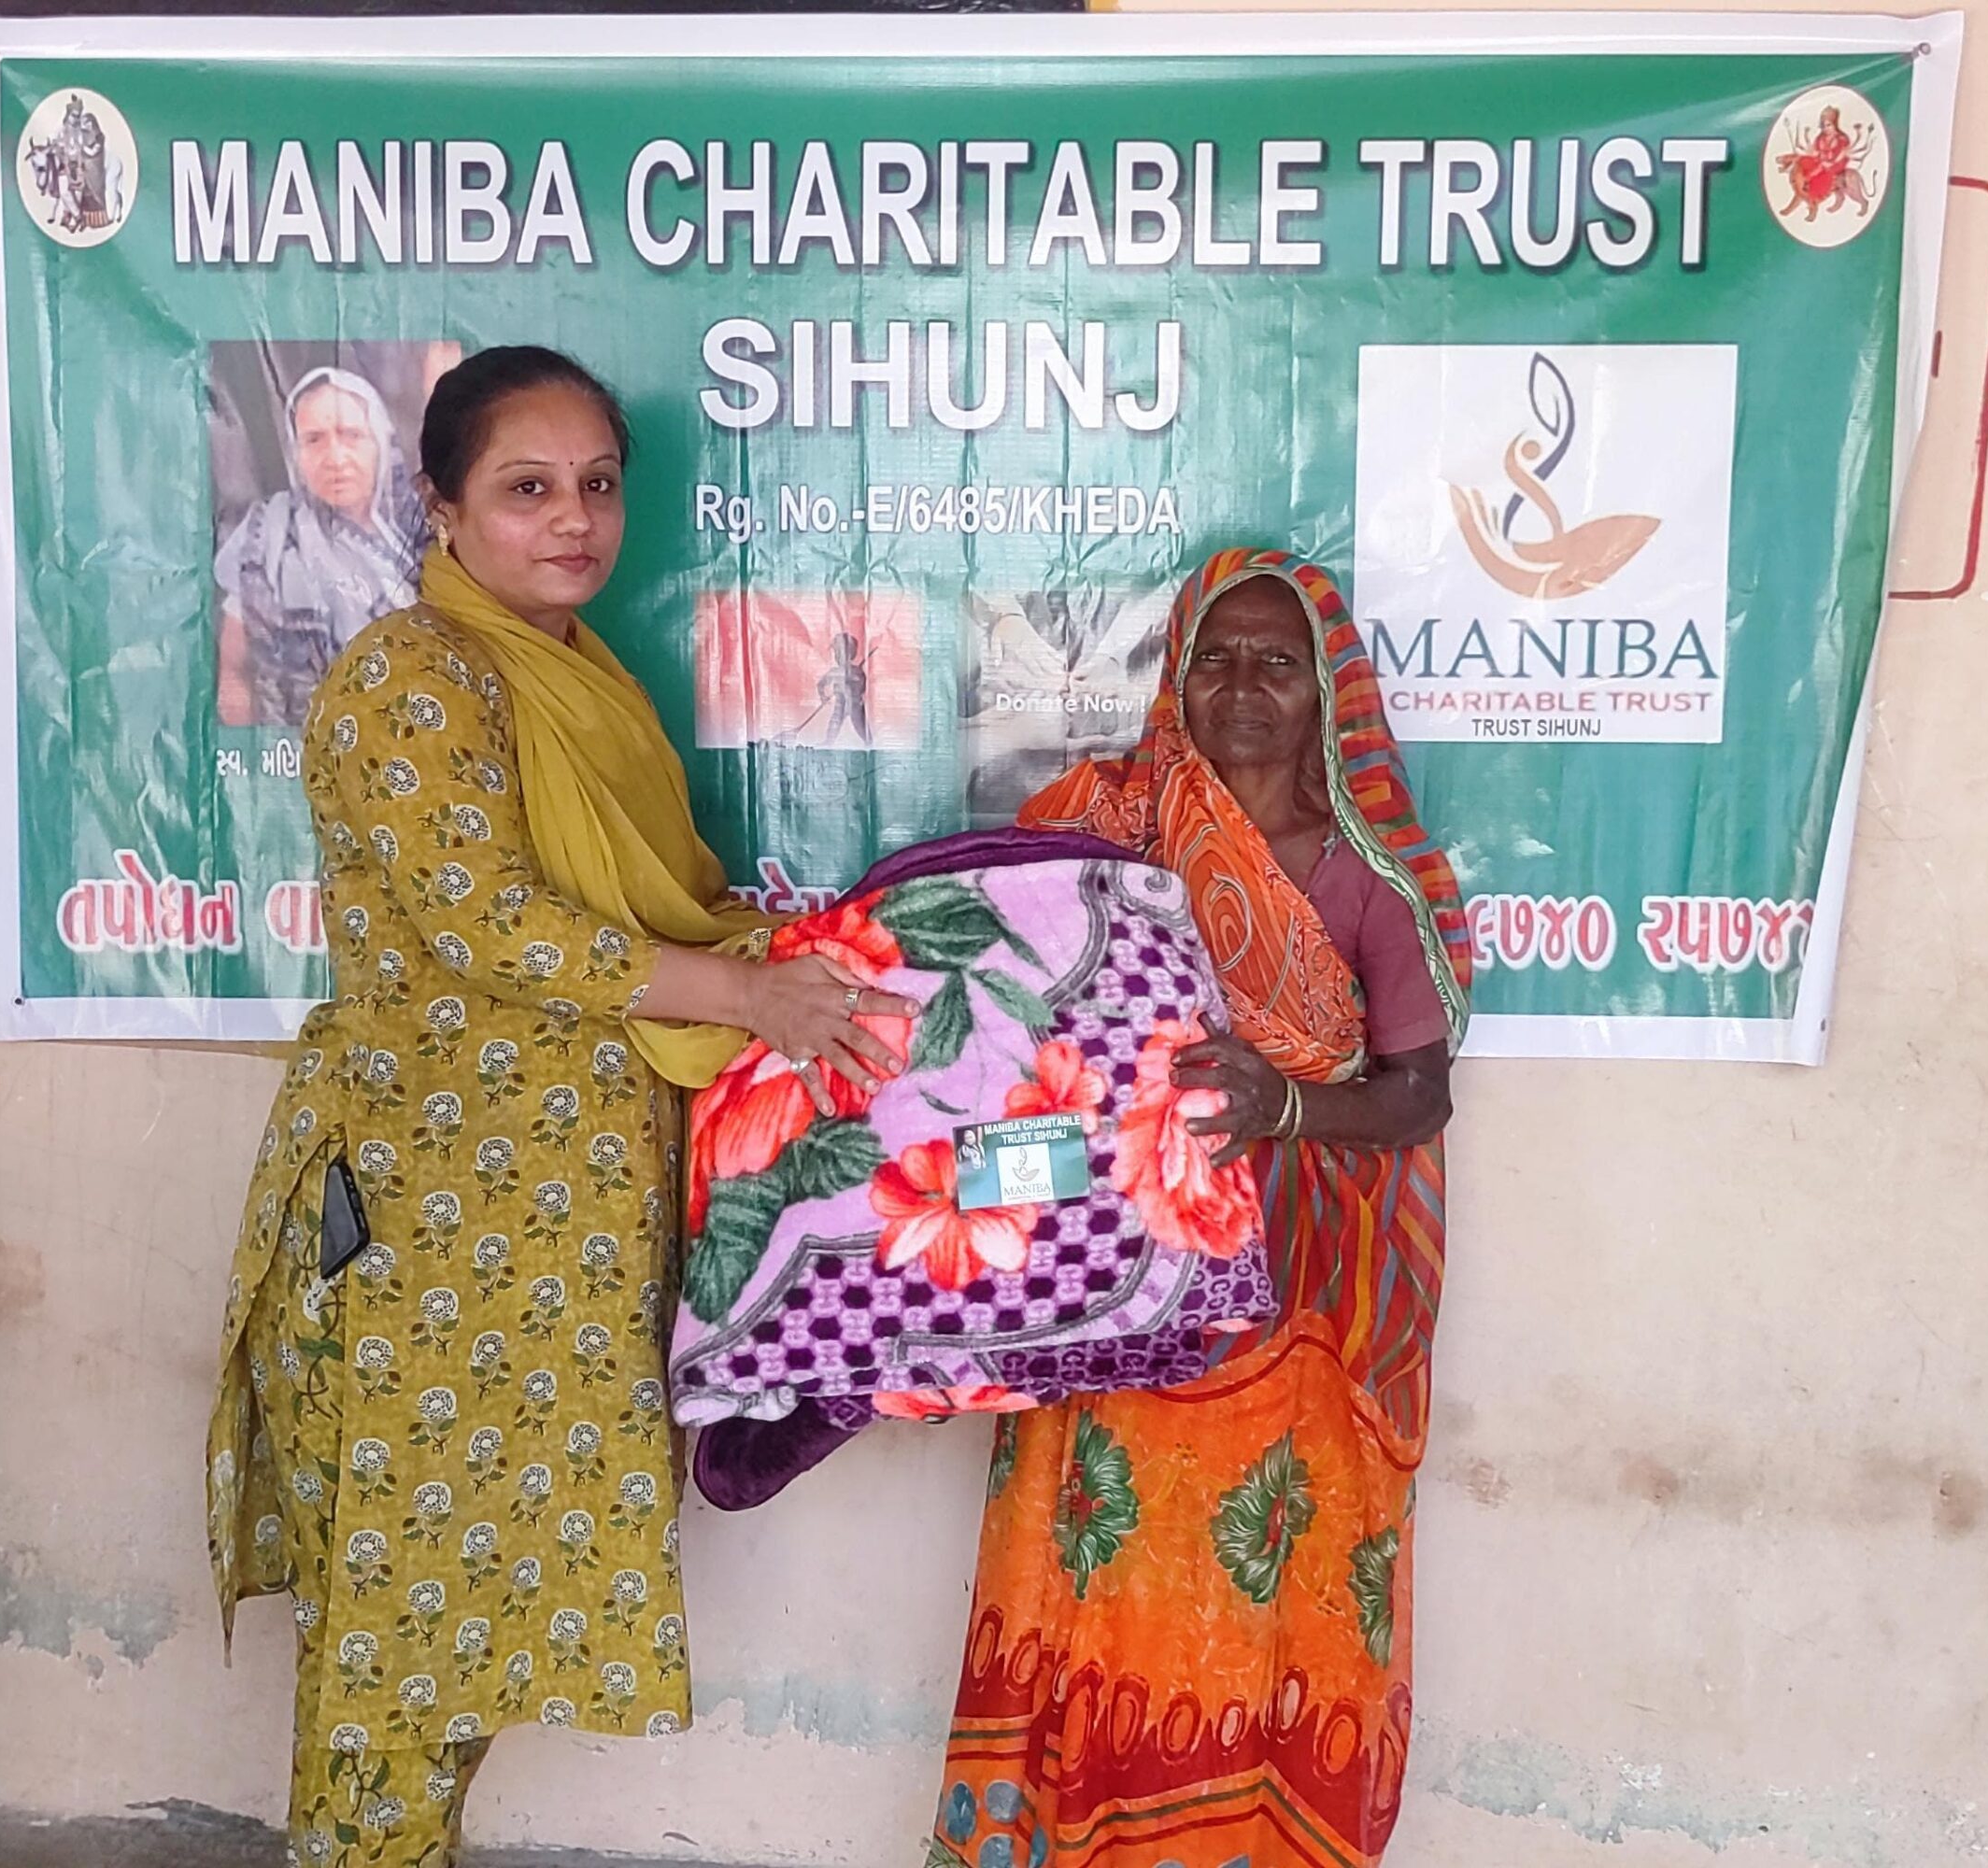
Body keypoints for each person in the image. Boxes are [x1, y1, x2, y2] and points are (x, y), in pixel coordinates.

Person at [206, 346, 916, 1868]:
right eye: (528, 488)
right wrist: (745, 994)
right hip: (428, 1225)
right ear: (441, 503)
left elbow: (649, 900)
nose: (574, 519)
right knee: (399, 1629)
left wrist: (809, 949)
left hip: (555, 1226)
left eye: (597, 485)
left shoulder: (580, 675)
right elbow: (494, 925)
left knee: (464, 1620)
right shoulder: (411, 678)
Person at [928, 547, 1471, 1868]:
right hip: (1108, 1299)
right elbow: (1009, 1045)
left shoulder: (1372, 877)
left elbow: (1417, 1097)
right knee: (1096, 1585)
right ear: (1175, 675)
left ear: (1328, 693)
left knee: (1255, 1605)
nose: (1242, 686)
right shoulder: (1101, 839)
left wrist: (1282, 1107)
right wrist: (970, 1195)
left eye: (1277, 662)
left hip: (1292, 1315)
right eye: (1215, 657)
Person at [215, 365, 429, 727]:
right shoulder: (268, 531)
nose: (335, 458)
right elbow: (234, 673)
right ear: (295, 451)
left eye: (352, 435)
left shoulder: (427, 530)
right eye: (314, 439)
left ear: (380, 442)